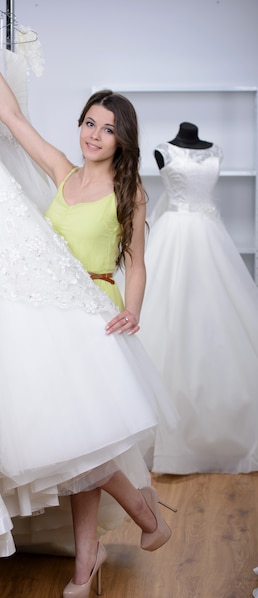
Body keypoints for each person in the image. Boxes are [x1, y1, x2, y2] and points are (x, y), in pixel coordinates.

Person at [0, 14, 178, 598]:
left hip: (94, 316)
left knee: (88, 442)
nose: (93, 135)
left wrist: (134, 309)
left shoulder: (128, 191)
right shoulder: (63, 172)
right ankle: (123, 532)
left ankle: (97, 552)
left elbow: (137, 261)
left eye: (106, 129)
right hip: (51, 315)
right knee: (79, 443)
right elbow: (13, 119)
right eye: (88, 123)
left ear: (123, 138)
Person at [139, 122, 258, 474]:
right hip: (175, 235)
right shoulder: (164, 149)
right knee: (168, 316)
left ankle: (218, 432)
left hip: (210, 238)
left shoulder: (215, 150)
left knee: (215, 324)